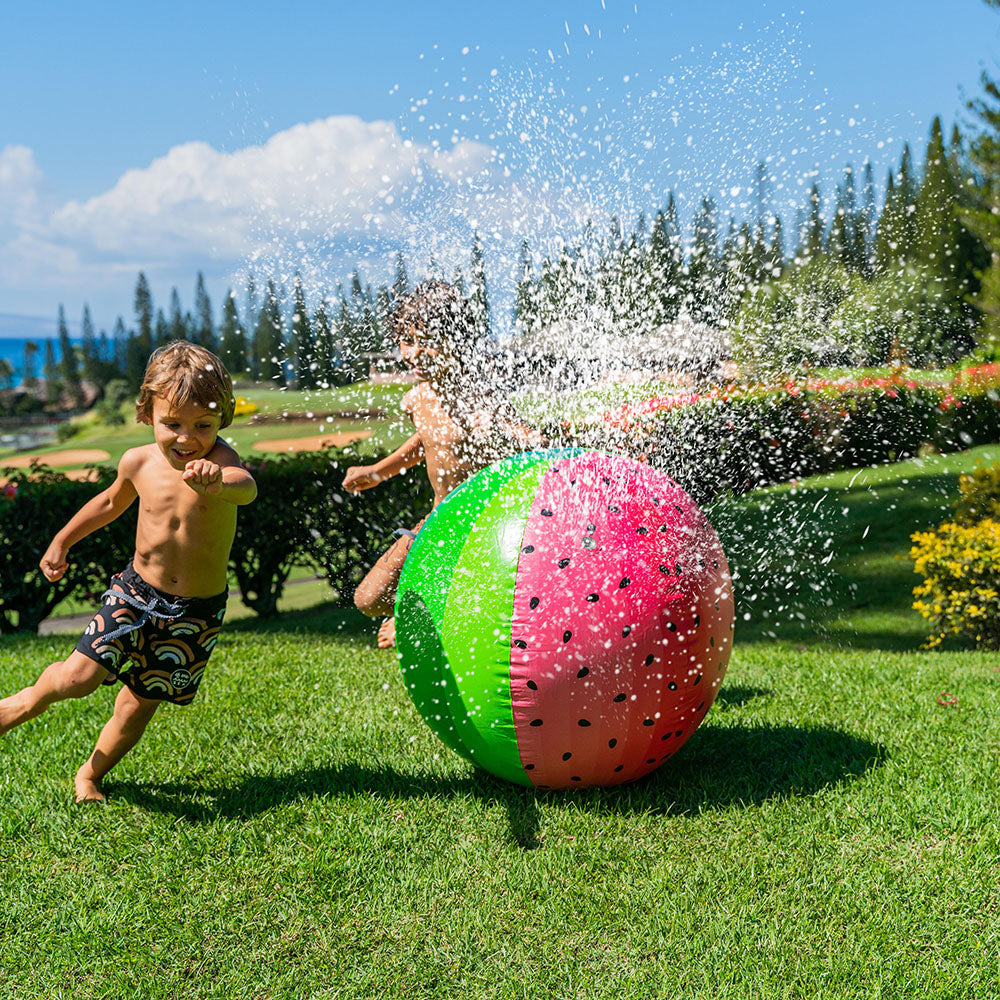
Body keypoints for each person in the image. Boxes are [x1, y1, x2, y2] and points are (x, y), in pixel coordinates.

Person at [0, 341, 257, 803]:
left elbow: (246, 488)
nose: (187, 438)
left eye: (203, 425)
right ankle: (18, 705)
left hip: (195, 613)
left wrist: (217, 480)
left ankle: (91, 775)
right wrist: (62, 540)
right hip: (135, 594)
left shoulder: (221, 462)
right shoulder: (138, 461)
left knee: (136, 707)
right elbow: (108, 503)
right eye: (172, 424)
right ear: (148, 415)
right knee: (78, 679)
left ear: (222, 421)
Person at [343, 280, 546, 649]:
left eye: (427, 340)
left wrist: (505, 432)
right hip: (438, 522)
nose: (413, 353)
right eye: (406, 340)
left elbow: (531, 441)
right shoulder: (416, 399)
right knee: (369, 599)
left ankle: (426, 623)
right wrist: (378, 472)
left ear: (458, 339)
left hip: (489, 530)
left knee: (491, 614)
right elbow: (428, 441)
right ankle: (423, 616)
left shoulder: (480, 393)